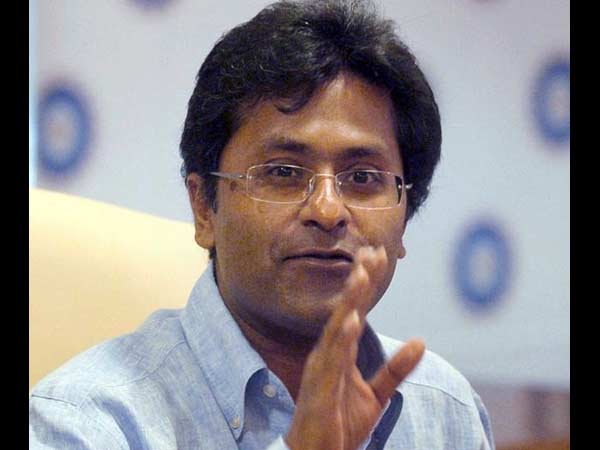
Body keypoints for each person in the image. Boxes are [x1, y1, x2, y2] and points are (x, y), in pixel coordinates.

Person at [29, 0, 495, 449]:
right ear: (204, 208)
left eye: (362, 178)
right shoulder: (84, 424)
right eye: (284, 172)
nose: (327, 211)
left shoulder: (445, 412)